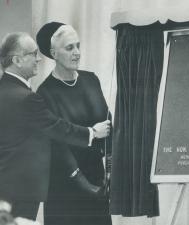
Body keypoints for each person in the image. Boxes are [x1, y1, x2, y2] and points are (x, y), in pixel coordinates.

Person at [0, 32, 111, 220]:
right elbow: (57, 127)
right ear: (17, 60)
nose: (39, 59)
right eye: (33, 54)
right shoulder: (27, 97)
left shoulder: (6, 90)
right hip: (21, 190)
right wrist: (93, 132)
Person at [36, 22, 112, 225]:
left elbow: (108, 124)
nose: (77, 52)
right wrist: (87, 187)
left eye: (78, 46)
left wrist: (110, 173)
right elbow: (57, 147)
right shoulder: (44, 94)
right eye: (69, 48)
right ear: (53, 53)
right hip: (66, 190)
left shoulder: (91, 80)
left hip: (98, 180)